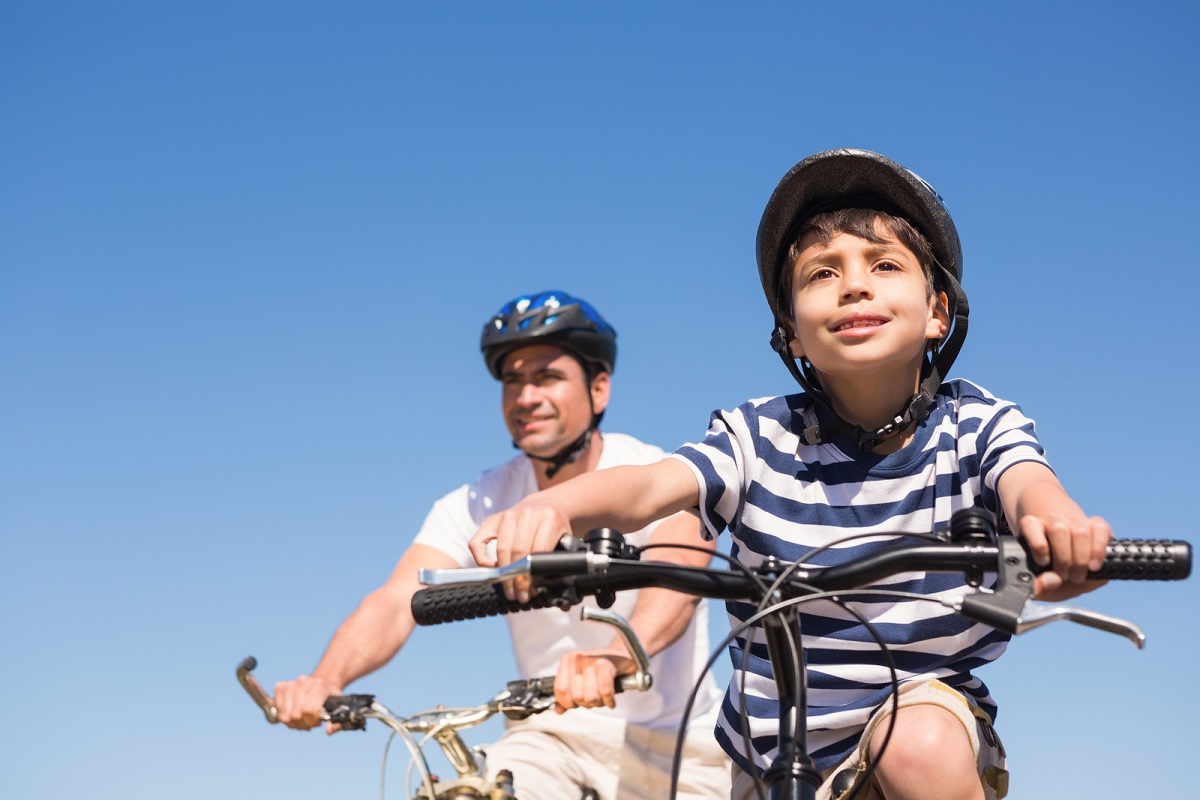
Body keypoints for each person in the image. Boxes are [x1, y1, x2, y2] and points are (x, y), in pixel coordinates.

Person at [468, 151, 1112, 800]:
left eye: (884, 265)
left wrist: (1055, 523)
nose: (854, 285)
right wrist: (560, 510)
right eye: (821, 275)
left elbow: (1028, 482)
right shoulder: (757, 437)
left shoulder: (975, 424)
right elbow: (647, 487)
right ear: (792, 335)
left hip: (921, 715)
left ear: (938, 310)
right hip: (770, 758)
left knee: (918, 747)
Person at [274, 290, 730, 800]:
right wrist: (325, 678)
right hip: (554, 734)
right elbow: (396, 600)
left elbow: (680, 572)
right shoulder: (476, 502)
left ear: (599, 390)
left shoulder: (646, 473)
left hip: (685, 746)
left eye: (547, 377)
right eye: (512, 381)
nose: (526, 396)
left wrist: (615, 655)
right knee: (481, 790)